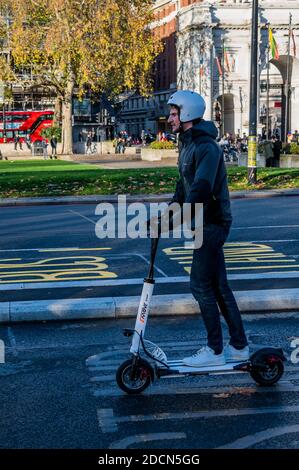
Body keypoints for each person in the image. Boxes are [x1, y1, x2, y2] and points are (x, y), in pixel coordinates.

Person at [166, 90, 249, 367]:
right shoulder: (187, 146)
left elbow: (201, 188)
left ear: (187, 114)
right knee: (219, 286)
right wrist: (164, 219)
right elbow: (183, 188)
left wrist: (180, 218)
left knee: (199, 284)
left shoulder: (207, 147)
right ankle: (239, 347)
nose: (170, 119)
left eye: (174, 114)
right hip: (202, 222)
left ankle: (214, 351)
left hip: (212, 223)